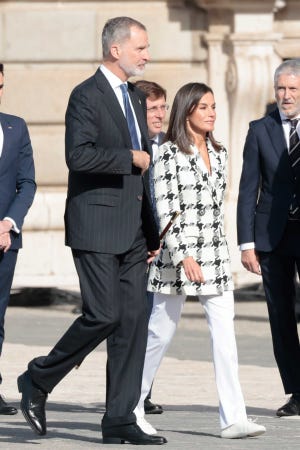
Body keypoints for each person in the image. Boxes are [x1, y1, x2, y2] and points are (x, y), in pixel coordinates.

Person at [17, 17, 167, 446]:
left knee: (133, 324)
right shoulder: (85, 95)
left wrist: (151, 233)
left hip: (135, 233)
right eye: (141, 47)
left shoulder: (136, 99)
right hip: (96, 225)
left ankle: (120, 418)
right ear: (115, 49)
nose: (147, 55)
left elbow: (145, 176)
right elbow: (78, 156)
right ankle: (38, 378)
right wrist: (130, 157)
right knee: (103, 315)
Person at [134, 82, 266, 439]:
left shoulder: (221, 152)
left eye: (213, 107)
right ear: (188, 109)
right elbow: (165, 208)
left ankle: (233, 417)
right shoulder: (167, 154)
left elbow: (213, 207)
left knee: (225, 337)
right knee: (159, 333)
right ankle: (131, 406)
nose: (211, 112)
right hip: (179, 259)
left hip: (215, 258)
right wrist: (183, 254)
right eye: (204, 106)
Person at [237, 58, 300, 417]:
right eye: (281, 88)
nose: (286, 95)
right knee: (280, 316)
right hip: (272, 238)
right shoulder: (259, 129)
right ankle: (297, 391)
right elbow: (248, 189)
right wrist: (246, 243)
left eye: (292, 89)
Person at [0, 63, 36, 416]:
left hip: (4, 241)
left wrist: (8, 223)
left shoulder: (15, 126)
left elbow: (27, 183)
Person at [134, 79, 167, 415]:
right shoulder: (133, 146)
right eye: (152, 108)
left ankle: (143, 391)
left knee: (156, 322)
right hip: (139, 247)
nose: (159, 115)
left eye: (162, 107)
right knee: (134, 319)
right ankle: (130, 393)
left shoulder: (169, 147)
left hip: (164, 250)